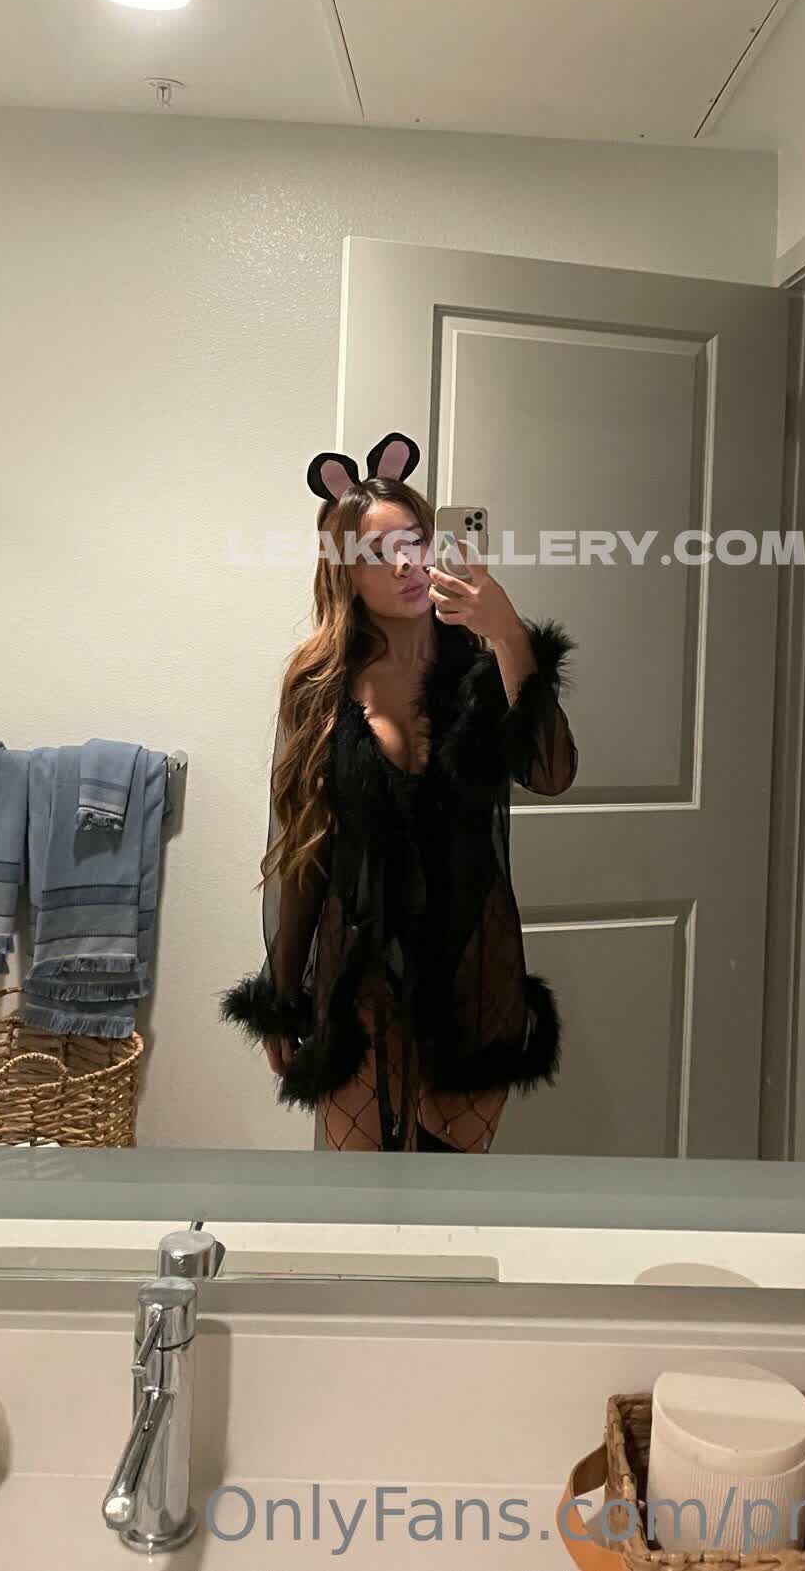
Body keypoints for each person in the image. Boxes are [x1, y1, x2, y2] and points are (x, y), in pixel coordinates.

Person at [223, 431, 576, 1152]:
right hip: (359, 969)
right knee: (359, 1195)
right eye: (380, 552)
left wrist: (510, 634)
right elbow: (302, 849)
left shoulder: (483, 664)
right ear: (345, 572)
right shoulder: (319, 685)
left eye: (416, 540)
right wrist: (282, 994)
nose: (409, 563)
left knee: (452, 1192)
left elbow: (551, 772)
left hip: (472, 962)